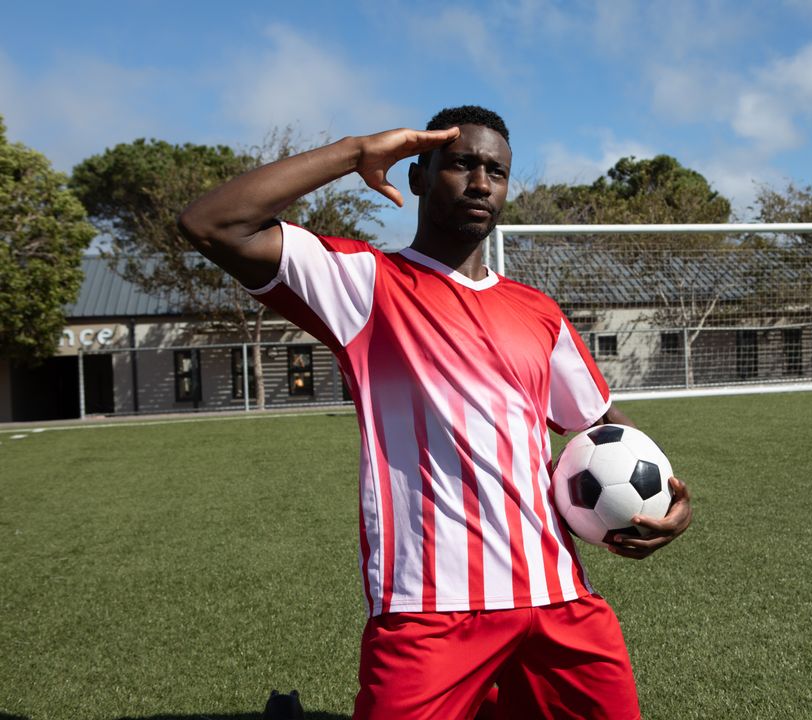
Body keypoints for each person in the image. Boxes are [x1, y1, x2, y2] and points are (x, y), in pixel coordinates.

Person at [178, 105, 692, 720]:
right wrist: (355, 151)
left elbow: (601, 425)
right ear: (418, 176)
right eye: (461, 165)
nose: (480, 183)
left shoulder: (537, 312)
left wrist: (665, 500)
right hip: (429, 609)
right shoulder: (366, 283)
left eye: (496, 172)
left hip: (559, 602)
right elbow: (213, 223)